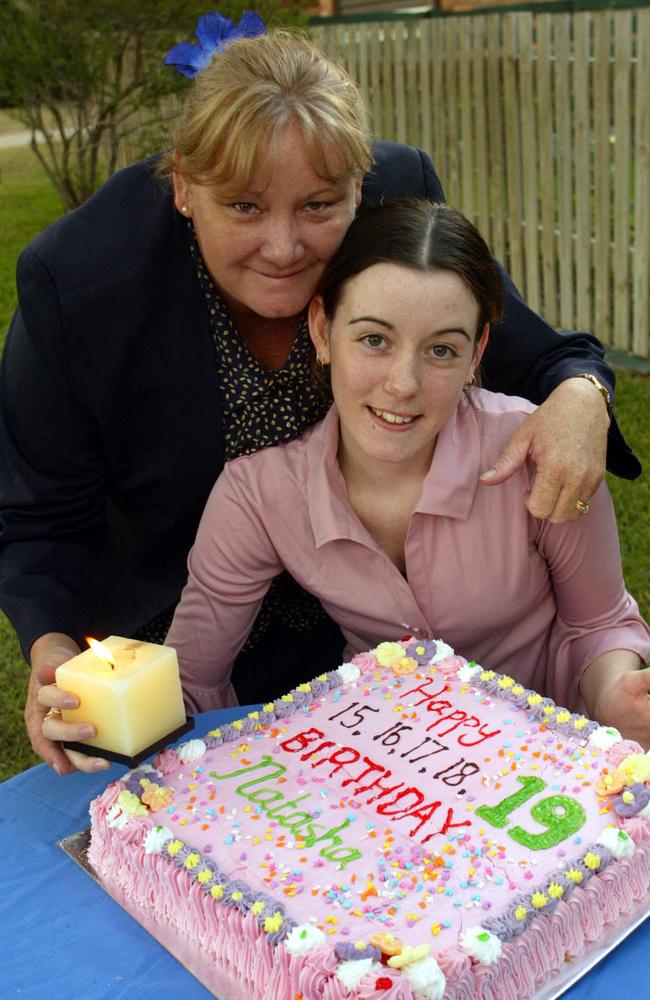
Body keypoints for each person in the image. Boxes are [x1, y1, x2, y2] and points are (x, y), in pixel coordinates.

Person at [2, 23, 639, 775]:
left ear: (360, 190)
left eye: (317, 207)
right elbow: (38, 515)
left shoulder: (394, 209)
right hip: (186, 602)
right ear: (182, 186)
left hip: (361, 642)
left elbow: (524, 347)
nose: (283, 246)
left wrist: (580, 395)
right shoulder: (82, 284)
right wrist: (56, 654)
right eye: (243, 207)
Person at [165, 199, 650, 743]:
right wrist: (104, 710)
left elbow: (599, 623)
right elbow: (189, 680)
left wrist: (613, 694)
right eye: (374, 339)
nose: (403, 384)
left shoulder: (544, 454)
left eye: (441, 350)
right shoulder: (259, 493)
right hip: (381, 781)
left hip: (549, 773)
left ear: (476, 355)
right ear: (323, 329)